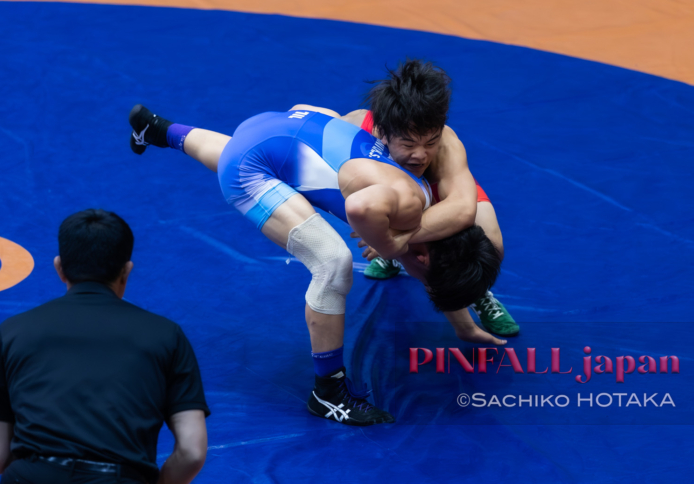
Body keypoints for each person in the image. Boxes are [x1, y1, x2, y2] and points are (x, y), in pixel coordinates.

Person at [127, 102, 505, 425]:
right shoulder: (406, 207)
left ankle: (161, 129)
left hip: (275, 126)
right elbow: (360, 208)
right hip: (252, 167)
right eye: (424, 278)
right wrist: (387, 245)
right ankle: (328, 393)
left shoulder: (420, 199)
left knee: (248, 151)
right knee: (334, 263)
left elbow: (429, 254)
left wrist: (464, 325)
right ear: (422, 256)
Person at [0, 209, 209, 484]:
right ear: (126, 271)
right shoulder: (167, 336)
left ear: (59, 267)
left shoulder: (13, 331)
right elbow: (192, 452)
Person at [339, 58, 520, 337]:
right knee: (421, 256)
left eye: (430, 142)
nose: (421, 155)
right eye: (409, 144)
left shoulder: (447, 143)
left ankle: (476, 290)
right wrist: (389, 239)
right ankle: (395, 258)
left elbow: (462, 210)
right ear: (382, 132)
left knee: (490, 246)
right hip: (387, 194)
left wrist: (392, 238)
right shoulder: (351, 129)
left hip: (441, 191)